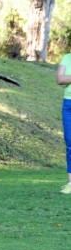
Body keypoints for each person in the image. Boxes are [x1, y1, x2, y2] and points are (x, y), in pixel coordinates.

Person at [56, 54, 71, 194]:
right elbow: (60, 79)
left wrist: (68, 78)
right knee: (70, 143)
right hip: (68, 104)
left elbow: (65, 78)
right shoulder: (67, 57)